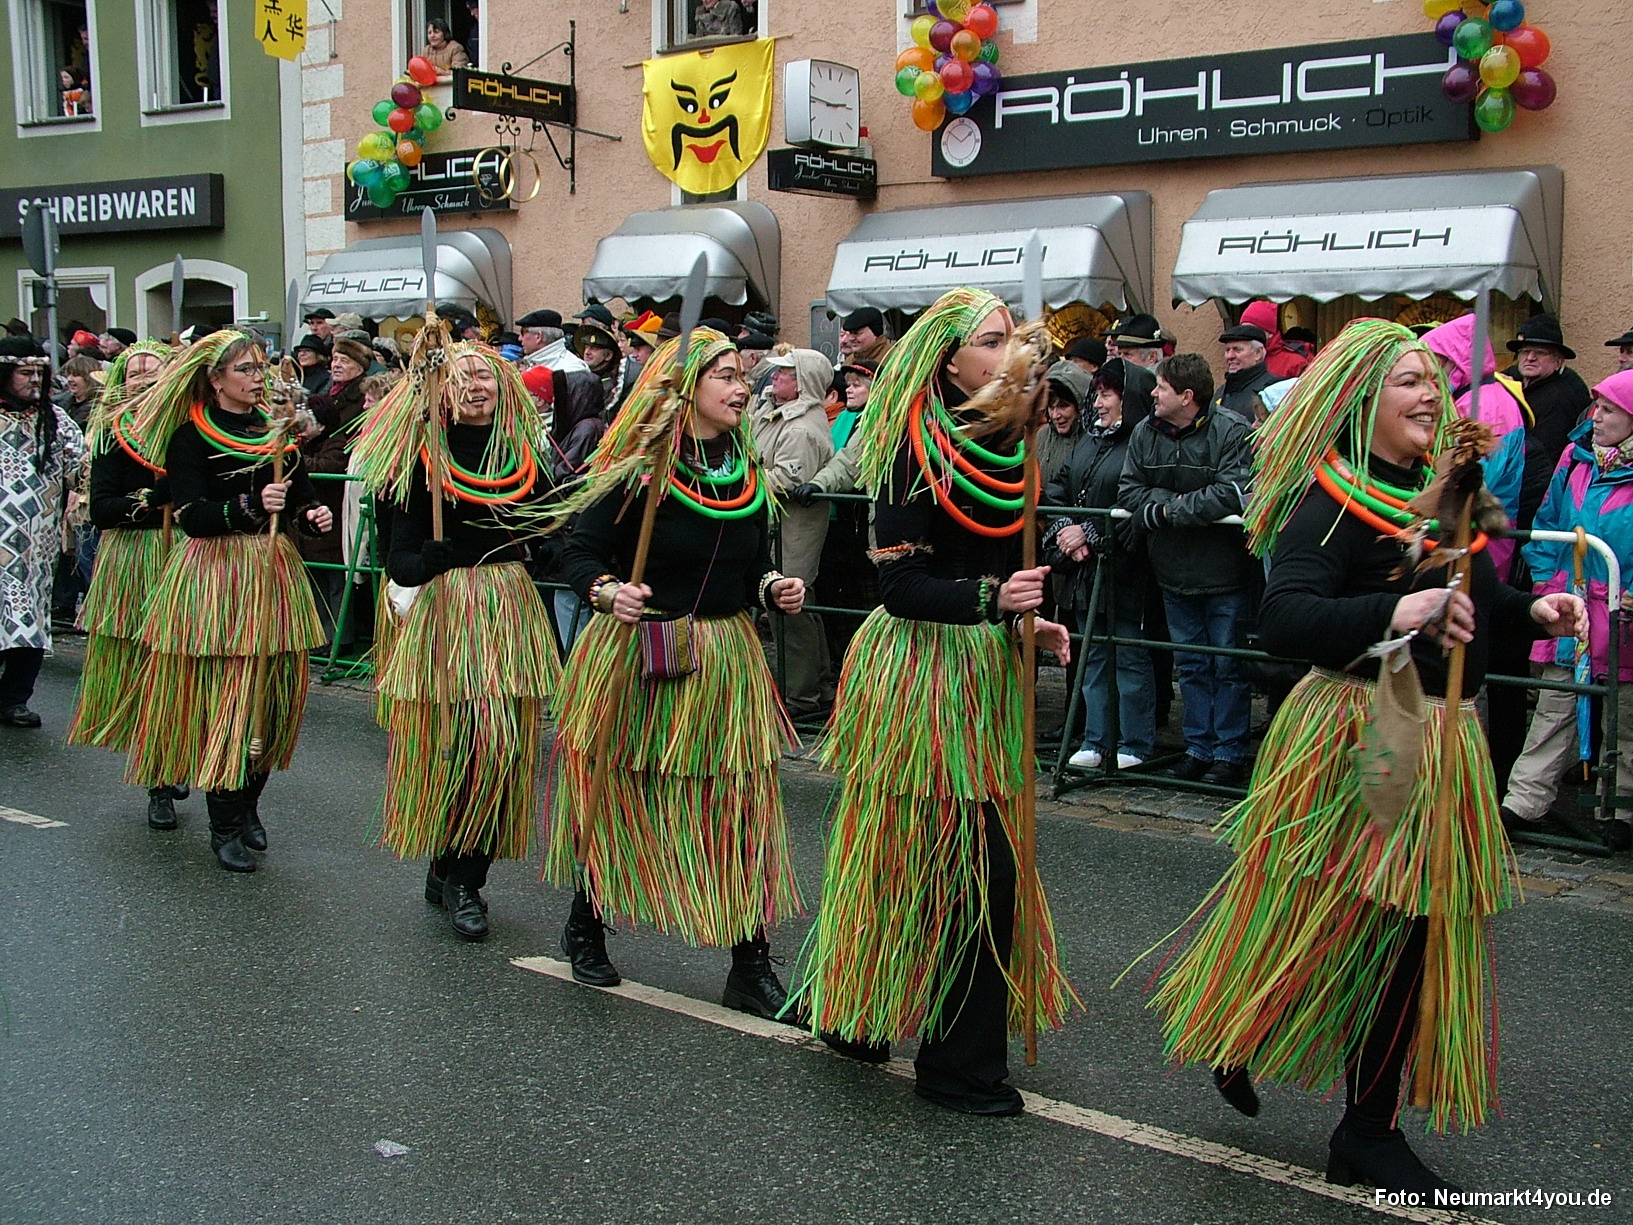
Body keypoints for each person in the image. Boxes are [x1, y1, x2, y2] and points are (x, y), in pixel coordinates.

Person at [1145, 318, 1585, 1194]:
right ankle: (1273, 1045)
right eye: (1408, 381)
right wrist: (1398, 614)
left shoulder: (1441, 489)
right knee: (1353, 916)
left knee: (1406, 929)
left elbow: (1477, 586)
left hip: (1441, 731)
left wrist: (1531, 612)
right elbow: (1284, 619)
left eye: (1434, 378)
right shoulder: (1330, 501)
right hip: (1361, 727)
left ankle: (1363, 1121)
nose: (1430, 394)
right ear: (1359, 401)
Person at [794, 287, 1076, 1116]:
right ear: (947, 359)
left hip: (982, 671)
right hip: (919, 673)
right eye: (989, 341)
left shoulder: (1011, 448)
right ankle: (954, 1066)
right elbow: (903, 584)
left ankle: (858, 1014)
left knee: (942, 862)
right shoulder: (905, 448)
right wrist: (995, 601)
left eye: (1008, 338)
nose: (1006, 351)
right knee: (950, 864)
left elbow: (1000, 578)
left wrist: (1031, 627)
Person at [548, 327, 806, 1017]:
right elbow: (577, 554)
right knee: (624, 796)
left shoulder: (745, 470)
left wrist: (771, 585)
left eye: (739, 374)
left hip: (725, 658)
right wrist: (608, 590)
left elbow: (749, 565)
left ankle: (749, 963)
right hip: (643, 654)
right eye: (722, 375)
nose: (738, 385)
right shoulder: (638, 468)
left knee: (739, 809)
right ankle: (587, 921)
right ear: (684, 390)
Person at [357, 343, 561, 939]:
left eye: (487, 376)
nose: (477, 386)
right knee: (457, 751)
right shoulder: (414, 461)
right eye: (463, 377)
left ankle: (467, 879)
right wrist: (431, 558)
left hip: (507, 613)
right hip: (449, 616)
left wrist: (552, 546)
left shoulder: (526, 455)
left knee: (502, 751)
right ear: (439, 389)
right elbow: (397, 561)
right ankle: (446, 860)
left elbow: (546, 529)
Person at [123, 331, 332, 873]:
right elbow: (192, 514)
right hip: (217, 574)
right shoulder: (190, 436)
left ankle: (248, 805)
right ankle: (224, 822)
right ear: (216, 380)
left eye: (259, 368)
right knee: (230, 699)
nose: (256, 377)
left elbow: (299, 493)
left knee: (271, 693)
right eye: (244, 369)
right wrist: (248, 504)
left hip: (272, 568)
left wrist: (311, 515)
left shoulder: (275, 429)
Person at [1502, 369, 1633, 851]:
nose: (1595, 417)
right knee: (1556, 702)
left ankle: (1621, 806)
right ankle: (1524, 800)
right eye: (1596, 407)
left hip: (1624, 609)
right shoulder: (1576, 460)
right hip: (1573, 603)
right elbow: (1548, 523)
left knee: (1626, 710)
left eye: (1609, 409)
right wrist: (1547, 580)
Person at [1119, 352, 1255, 785]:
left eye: (1160, 387)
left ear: (1187, 396)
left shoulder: (1232, 431)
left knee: (1228, 666)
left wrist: (1167, 509)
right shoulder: (1144, 433)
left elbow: (1232, 493)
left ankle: (1230, 754)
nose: (1153, 393)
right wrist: (1171, 508)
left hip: (1225, 575)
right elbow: (1130, 489)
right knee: (1193, 666)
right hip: (1172, 573)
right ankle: (1198, 748)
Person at [66, 342, 182, 825]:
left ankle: (182, 754)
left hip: (181, 556)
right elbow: (102, 508)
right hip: (132, 561)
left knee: (178, 665)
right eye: (132, 372)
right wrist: (152, 502)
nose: (141, 377)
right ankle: (156, 779)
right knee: (143, 667)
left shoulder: (187, 430)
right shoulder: (110, 437)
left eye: (151, 369)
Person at [1048, 358, 1157, 771]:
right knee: (1091, 657)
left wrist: (1090, 534)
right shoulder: (1089, 441)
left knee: (1129, 657)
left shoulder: (1140, 443)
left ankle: (1135, 741)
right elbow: (1059, 488)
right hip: (1084, 572)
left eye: (1107, 394)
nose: (1097, 402)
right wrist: (1065, 532)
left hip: (1124, 570)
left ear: (1127, 398)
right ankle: (1096, 738)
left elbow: (1133, 501)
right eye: (1096, 393)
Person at [0, 336, 85, 727]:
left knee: (28, 619)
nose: (34, 380)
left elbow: (80, 468)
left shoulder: (55, 420)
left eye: (39, 372)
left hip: (35, 546)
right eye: (25, 372)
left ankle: (14, 699)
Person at [752, 348, 834, 717]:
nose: (775, 377)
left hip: (793, 529)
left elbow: (787, 477)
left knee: (792, 606)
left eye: (785, 373)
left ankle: (801, 698)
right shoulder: (774, 414)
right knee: (800, 606)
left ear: (802, 382)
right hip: (779, 525)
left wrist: (742, 482)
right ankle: (815, 688)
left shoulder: (800, 427)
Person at [297, 337, 372, 649]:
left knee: (336, 579)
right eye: (335, 359)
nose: (336, 365)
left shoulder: (351, 407)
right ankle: (324, 635)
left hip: (336, 507)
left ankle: (339, 637)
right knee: (320, 578)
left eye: (344, 360)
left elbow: (332, 462)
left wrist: (298, 459)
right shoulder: (330, 393)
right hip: (317, 516)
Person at [1505, 314, 1592, 530]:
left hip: (1536, 502)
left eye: (1540, 353)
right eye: (1525, 351)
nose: (1530, 357)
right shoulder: (1514, 378)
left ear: (1558, 361)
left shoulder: (1562, 397)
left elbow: (1544, 463)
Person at [1035, 359, 1089, 490]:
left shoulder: (1093, 440)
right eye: (1051, 407)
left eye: (1063, 406)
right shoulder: (1041, 436)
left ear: (1080, 405)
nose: (1055, 415)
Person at [1212, 323, 1279, 423]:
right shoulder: (1221, 392)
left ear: (1258, 353)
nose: (1229, 356)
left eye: (1237, 350)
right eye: (1227, 350)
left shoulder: (1272, 392)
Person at [572, 320, 638, 421]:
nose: (587, 352)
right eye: (586, 347)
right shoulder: (582, 375)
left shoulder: (611, 384)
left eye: (594, 348)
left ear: (608, 355)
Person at [1238, 300, 1312, 379]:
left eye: (1252, 330)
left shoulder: (1295, 364)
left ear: (1270, 333)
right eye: (1242, 329)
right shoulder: (1240, 358)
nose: (1246, 334)